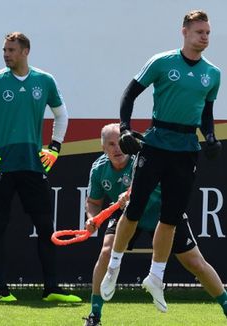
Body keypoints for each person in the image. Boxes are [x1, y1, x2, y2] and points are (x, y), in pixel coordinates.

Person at [100, 10, 224, 314]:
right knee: (136, 206)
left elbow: (205, 113)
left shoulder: (213, 73)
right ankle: (114, 265)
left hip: (186, 150)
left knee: (170, 216)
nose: (204, 37)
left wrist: (209, 137)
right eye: (199, 32)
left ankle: (155, 277)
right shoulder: (162, 62)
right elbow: (130, 94)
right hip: (156, 144)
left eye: (208, 32)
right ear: (184, 32)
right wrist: (126, 128)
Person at [0, 32, 81, 303]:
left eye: (11, 50)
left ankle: (51, 288)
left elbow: (62, 114)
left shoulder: (44, 80)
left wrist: (55, 148)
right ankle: (2, 289)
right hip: (1, 165)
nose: (6, 54)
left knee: (45, 226)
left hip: (32, 165)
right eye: (4, 50)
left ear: (25, 51)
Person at [83, 124, 227, 326]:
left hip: (162, 212)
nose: (118, 149)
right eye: (111, 144)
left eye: (120, 143)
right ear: (103, 147)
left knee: (196, 263)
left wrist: (133, 194)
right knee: (106, 252)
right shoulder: (99, 169)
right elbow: (93, 202)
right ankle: (94, 315)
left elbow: (158, 184)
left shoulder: (143, 157)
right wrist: (92, 218)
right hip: (128, 216)